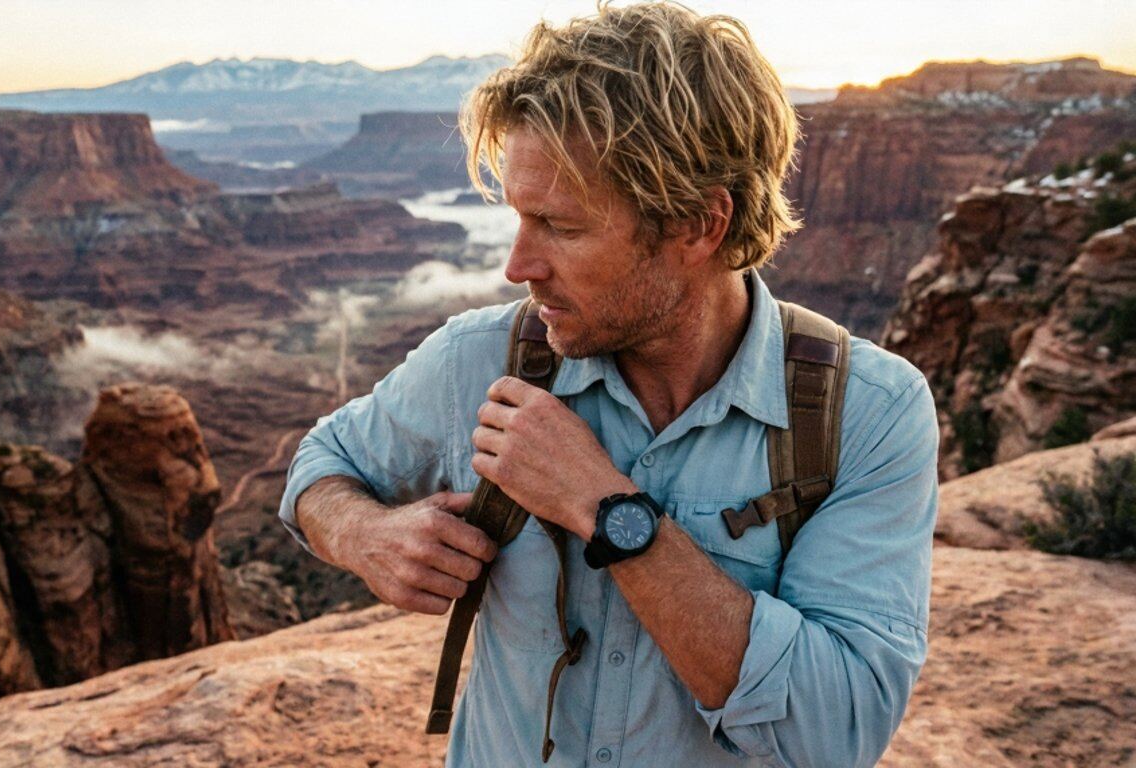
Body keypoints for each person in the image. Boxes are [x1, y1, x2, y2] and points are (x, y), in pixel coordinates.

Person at [277, 3, 938, 765]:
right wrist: (368, 535)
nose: (517, 265)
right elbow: (321, 468)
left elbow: (835, 733)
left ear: (698, 225)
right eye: (519, 218)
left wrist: (603, 507)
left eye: (560, 226)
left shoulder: (869, 414)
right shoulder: (481, 358)